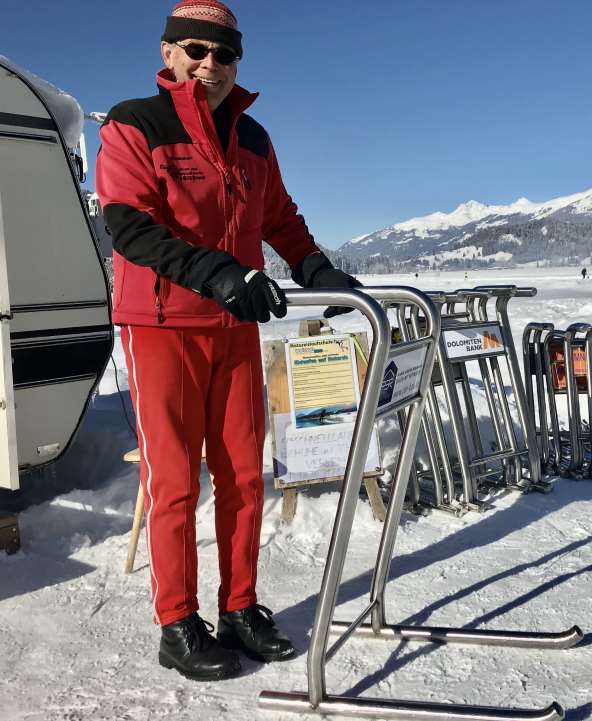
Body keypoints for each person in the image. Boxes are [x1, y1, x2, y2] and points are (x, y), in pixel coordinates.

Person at [96, 0, 360, 681]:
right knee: (176, 480)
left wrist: (316, 267)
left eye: (225, 54)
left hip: (235, 327)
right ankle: (177, 624)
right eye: (195, 50)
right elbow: (129, 225)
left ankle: (239, 607)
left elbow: (279, 215)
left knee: (244, 473)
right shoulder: (135, 124)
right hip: (163, 328)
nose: (210, 65)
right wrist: (215, 270)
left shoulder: (253, 138)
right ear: (168, 53)